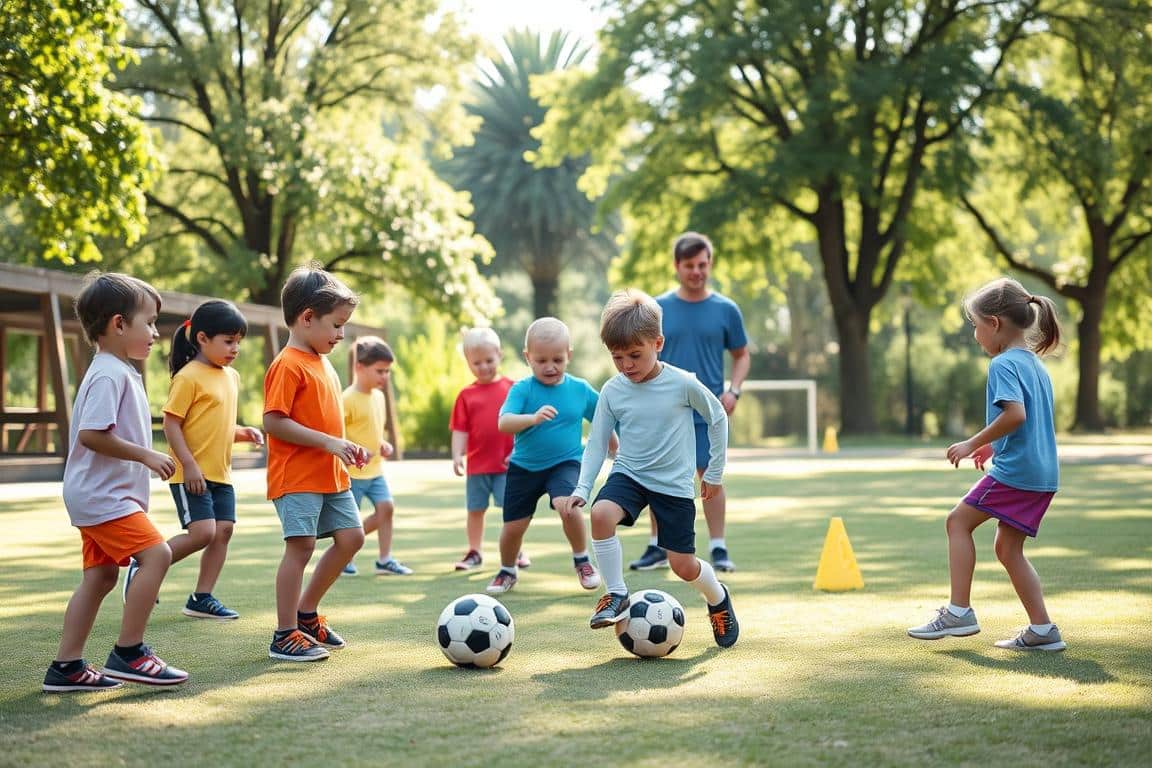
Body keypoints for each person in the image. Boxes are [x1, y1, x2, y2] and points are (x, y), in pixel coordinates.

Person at [556, 289, 739, 647]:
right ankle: (617, 594)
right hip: (630, 473)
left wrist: (714, 473)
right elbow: (596, 442)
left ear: (658, 343)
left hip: (672, 484)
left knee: (682, 566)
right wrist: (582, 487)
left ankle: (718, 599)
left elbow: (717, 417)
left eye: (635, 355)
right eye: (617, 357)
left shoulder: (683, 383)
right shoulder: (612, 391)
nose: (626, 365)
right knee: (601, 513)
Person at [42, 272, 189, 693]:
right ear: (118, 324)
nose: (156, 333)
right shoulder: (109, 374)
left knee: (102, 577)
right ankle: (130, 652)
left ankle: (66, 667)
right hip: (102, 496)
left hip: (99, 494)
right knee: (157, 554)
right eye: (149, 322)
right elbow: (91, 433)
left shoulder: (118, 370)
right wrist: (146, 455)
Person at [908, 277, 1067, 652]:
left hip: (1018, 474)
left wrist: (972, 442)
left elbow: (1016, 415)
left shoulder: (1002, 365)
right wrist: (995, 447)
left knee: (957, 521)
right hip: (1043, 475)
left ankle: (958, 612)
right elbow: (1030, 422)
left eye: (976, 326)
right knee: (1008, 550)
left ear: (994, 324)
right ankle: (1043, 631)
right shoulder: (1035, 365)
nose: (976, 335)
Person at [263, 264, 369, 662]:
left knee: (352, 539)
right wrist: (328, 442)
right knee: (301, 546)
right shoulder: (288, 363)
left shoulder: (321, 361)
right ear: (307, 318)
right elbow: (274, 421)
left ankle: (306, 615)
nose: (342, 335)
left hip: (331, 474)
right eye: (337, 325)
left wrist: (345, 445)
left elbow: (324, 418)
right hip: (297, 477)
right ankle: (285, 633)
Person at [630, 232, 750, 574]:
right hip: (663, 411)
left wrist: (734, 390)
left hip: (707, 410)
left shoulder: (727, 309)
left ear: (709, 264)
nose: (696, 271)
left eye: (702, 264)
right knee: (657, 477)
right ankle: (657, 546)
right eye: (689, 265)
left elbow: (742, 356)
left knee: (710, 477)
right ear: (676, 266)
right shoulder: (657, 309)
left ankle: (718, 547)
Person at [484, 318, 608, 595]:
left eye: (557, 359)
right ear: (528, 357)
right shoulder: (523, 389)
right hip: (524, 467)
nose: (550, 366)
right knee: (514, 526)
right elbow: (504, 423)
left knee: (568, 505)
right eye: (541, 360)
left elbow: (603, 418)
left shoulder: (579, 389)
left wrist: (616, 447)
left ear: (569, 356)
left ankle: (582, 561)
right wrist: (533, 418)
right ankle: (507, 570)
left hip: (566, 463)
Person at [159, 300, 264, 620]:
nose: (235, 349)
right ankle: (146, 562)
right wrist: (188, 465)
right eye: (228, 341)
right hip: (191, 472)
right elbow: (171, 424)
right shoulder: (188, 376)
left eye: (238, 343)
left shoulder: (231, 377)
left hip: (221, 473)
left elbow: (212, 426)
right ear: (202, 339)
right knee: (202, 532)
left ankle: (201, 598)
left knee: (224, 530)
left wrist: (242, 432)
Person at [341, 336, 411, 576]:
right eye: (380, 371)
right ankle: (343, 557)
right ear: (359, 367)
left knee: (386, 509)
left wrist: (382, 444)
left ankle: (384, 559)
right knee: (349, 524)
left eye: (388, 371)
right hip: (352, 474)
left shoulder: (379, 397)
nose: (385, 377)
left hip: (376, 471)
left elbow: (371, 430)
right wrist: (354, 450)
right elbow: (337, 435)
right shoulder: (347, 399)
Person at [449, 327, 515, 571]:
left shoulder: (513, 388)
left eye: (489, 360)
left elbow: (523, 426)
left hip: (507, 464)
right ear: (468, 363)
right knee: (475, 509)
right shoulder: (466, 395)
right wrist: (457, 454)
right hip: (477, 466)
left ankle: (515, 551)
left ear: (499, 354)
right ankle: (474, 551)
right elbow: (460, 429)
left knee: (512, 510)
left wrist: (519, 451)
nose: (484, 367)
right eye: (477, 363)